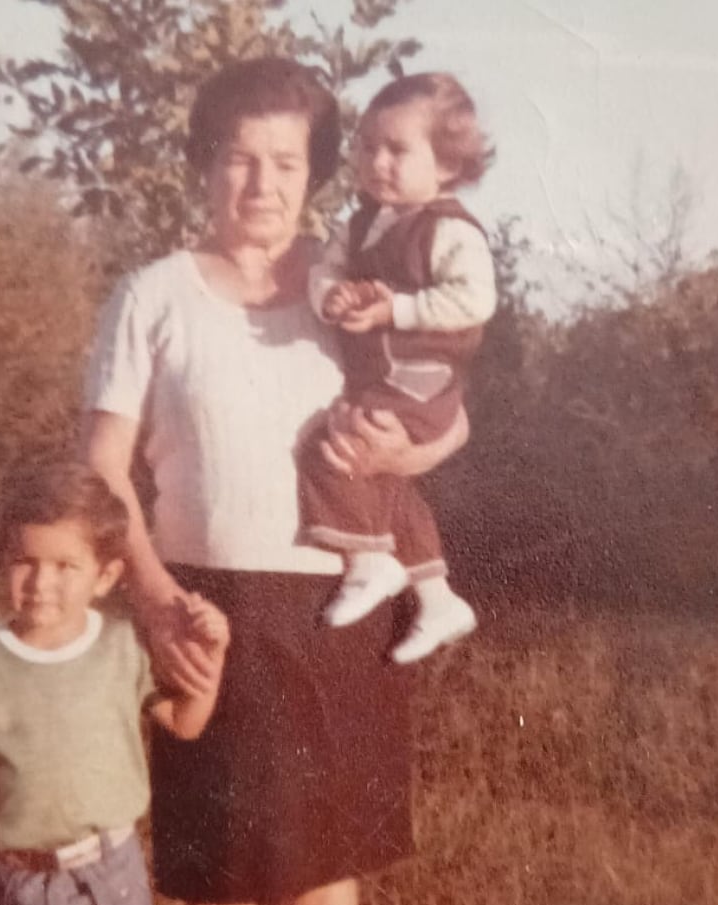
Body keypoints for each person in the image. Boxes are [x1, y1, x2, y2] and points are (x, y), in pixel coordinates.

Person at [82, 57, 468, 905]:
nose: (263, 183)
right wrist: (153, 600)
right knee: (216, 882)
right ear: (206, 165)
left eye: (287, 163)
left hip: (344, 614)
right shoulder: (152, 296)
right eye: (240, 158)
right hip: (208, 612)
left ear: (318, 174)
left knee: (325, 885)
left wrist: (404, 456)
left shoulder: (361, 296)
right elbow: (102, 471)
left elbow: (449, 415)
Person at [0, 462, 229, 905]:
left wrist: (211, 662)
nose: (42, 583)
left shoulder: (123, 647)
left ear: (104, 577)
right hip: (10, 881)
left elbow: (185, 723)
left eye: (65, 566)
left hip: (110, 877)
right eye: (25, 562)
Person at [301, 72, 495, 664]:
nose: (377, 161)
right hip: (382, 377)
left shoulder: (450, 230)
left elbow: (475, 300)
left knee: (333, 444)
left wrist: (399, 308)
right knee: (386, 481)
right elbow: (324, 272)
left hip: (422, 378)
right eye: (367, 146)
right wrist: (329, 296)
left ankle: (369, 561)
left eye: (397, 149)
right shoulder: (359, 224)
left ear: (447, 165)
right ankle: (437, 598)